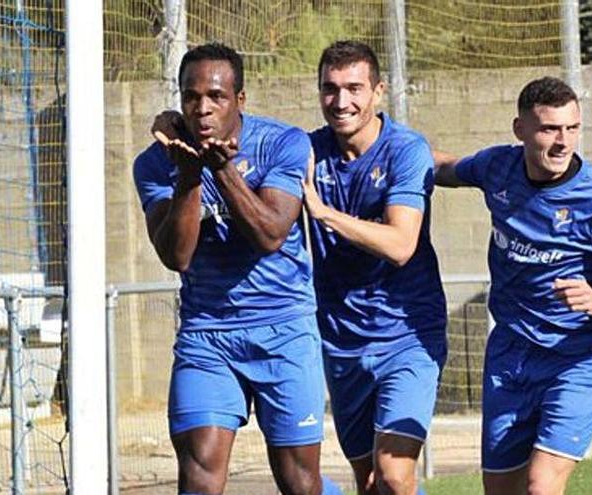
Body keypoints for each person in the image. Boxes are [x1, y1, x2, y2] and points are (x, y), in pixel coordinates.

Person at [431, 76, 592, 495]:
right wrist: (386, 148)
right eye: (549, 129)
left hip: (577, 360)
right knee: (501, 490)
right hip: (511, 355)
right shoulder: (496, 168)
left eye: (572, 128)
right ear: (520, 130)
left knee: (540, 486)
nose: (563, 141)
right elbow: (444, 168)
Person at [133, 43, 340, 495]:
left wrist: (221, 171)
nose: (202, 109)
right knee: (200, 474)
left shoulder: (281, 143)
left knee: (299, 481)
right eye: (191, 97)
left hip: (283, 329)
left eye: (216, 96)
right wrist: (189, 177)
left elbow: (269, 235)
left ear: (239, 100)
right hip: (207, 335)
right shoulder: (155, 164)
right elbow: (176, 256)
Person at [301, 41, 446, 495]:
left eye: (354, 88)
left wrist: (323, 213)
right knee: (368, 480)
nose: (342, 101)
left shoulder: (405, 151)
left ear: (378, 91)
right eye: (330, 89)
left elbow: (401, 244)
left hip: (407, 335)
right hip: (341, 338)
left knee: (394, 472)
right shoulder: (306, 150)